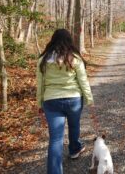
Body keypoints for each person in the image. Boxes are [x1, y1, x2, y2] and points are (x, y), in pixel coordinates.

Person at [36, 29, 94, 174]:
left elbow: (40, 84)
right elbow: (83, 81)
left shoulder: (43, 60)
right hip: (73, 99)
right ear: (69, 41)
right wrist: (89, 99)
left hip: (51, 101)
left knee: (55, 139)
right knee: (74, 126)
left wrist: (39, 103)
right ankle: (74, 149)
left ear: (52, 40)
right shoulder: (74, 58)